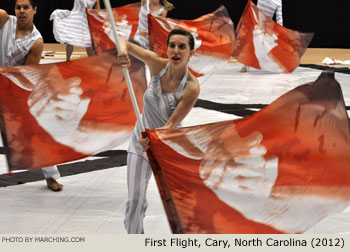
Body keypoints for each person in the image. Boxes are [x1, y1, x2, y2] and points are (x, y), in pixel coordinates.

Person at [116, 28, 200, 234]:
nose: (176, 50)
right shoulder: (156, 64)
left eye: (182, 46)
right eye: (172, 45)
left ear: (191, 53)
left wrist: (153, 139)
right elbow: (122, 41)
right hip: (140, 142)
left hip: (167, 146)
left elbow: (171, 125)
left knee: (181, 204)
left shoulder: (191, 87)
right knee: (135, 201)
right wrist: (124, 53)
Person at [0, 0, 63, 191]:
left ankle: (51, 176)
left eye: (26, 7)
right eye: (18, 7)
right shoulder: (4, 19)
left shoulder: (36, 41)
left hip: (16, 87)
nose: (21, 11)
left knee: (36, 132)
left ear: (34, 10)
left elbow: (25, 74)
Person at [240, 0, 283, 73]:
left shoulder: (278, 1)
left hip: (266, 26)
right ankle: (246, 65)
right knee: (252, 43)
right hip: (257, 23)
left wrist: (281, 31)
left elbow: (279, 18)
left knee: (267, 45)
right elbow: (279, 18)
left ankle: (278, 63)